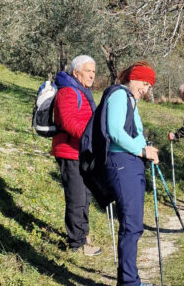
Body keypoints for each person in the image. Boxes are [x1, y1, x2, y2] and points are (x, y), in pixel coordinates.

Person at [104, 61, 159, 286]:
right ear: (134, 78)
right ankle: (129, 283)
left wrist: (147, 151)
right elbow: (115, 131)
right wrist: (141, 150)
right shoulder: (119, 95)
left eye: (149, 86)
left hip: (131, 163)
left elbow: (133, 133)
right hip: (122, 163)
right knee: (131, 225)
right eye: (145, 84)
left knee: (133, 224)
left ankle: (128, 281)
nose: (146, 90)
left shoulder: (130, 100)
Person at [51, 55, 102, 256]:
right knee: (77, 198)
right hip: (69, 151)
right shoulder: (68, 92)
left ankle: (83, 235)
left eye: (94, 72)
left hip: (81, 152)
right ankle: (76, 243)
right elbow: (68, 122)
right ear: (75, 72)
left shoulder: (83, 91)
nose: (92, 75)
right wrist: (93, 137)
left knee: (85, 196)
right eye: (88, 71)